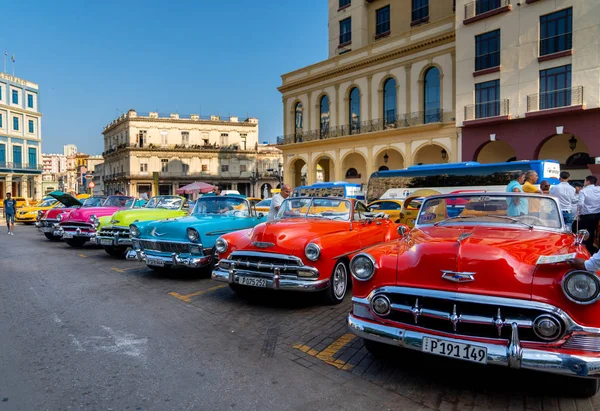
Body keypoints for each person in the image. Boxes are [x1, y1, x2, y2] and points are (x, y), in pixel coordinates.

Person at [577, 175, 600, 253]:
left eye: (584, 181)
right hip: (597, 215)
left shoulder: (583, 191)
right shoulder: (599, 189)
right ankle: (591, 247)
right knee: (593, 231)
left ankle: (584, 249)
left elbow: (580, 204)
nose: (584, 183)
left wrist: (579, 213)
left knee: (583, 232)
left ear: (588, 181)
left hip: (586, 215)